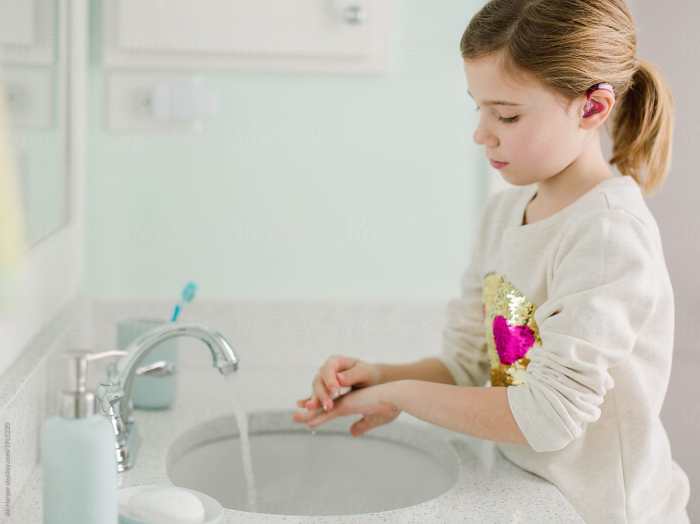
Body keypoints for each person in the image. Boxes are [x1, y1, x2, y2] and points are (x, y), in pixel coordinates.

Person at [292, 1, 691, 522]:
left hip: (605, 512)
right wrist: (380, 379)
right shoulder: (506, 211)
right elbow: (466, 365)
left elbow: (547, 418)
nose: (483, 132)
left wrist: (404, 394)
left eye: (507, 114)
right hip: (531, 494)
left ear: (592, 108)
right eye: (478, 108)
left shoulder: (608, 235)